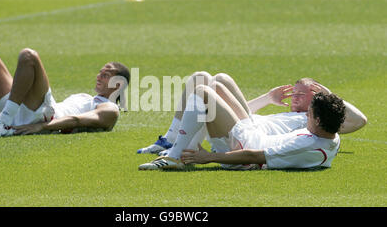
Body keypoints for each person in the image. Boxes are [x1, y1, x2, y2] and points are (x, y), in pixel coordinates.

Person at [137, 72, 366, 155]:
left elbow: (359, 121)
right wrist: (268, 98)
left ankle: (177, 151)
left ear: (316, 99)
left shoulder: (316, 122)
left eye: (301, 94)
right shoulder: (286, 116)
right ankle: (168, 140)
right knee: (211, 78)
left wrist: (329, 95)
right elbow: (224, 109)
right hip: (245, 126)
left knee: (205, 90)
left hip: (245, 137)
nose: (294, 97)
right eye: (293, 92)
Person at [138, 81, 346, 170]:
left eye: (309, 114)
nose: (305, 116)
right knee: (217, 85)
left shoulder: (307, 145)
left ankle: (175, 156)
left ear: (318, 120)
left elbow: (255, 156)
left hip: (241, 147)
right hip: (251, 134)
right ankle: (184, 150)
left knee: (203, 91)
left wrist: (208, 157)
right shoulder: (331, 136)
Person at [0, 48, 130, 137]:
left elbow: (76, 120)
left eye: (106, 74)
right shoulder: (87, 98)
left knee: (29, 56)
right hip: (23, 115)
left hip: (44, 118)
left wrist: (42, 127)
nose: (99, 76)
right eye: (100, 72)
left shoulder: (111, 108)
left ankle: (5, 121)